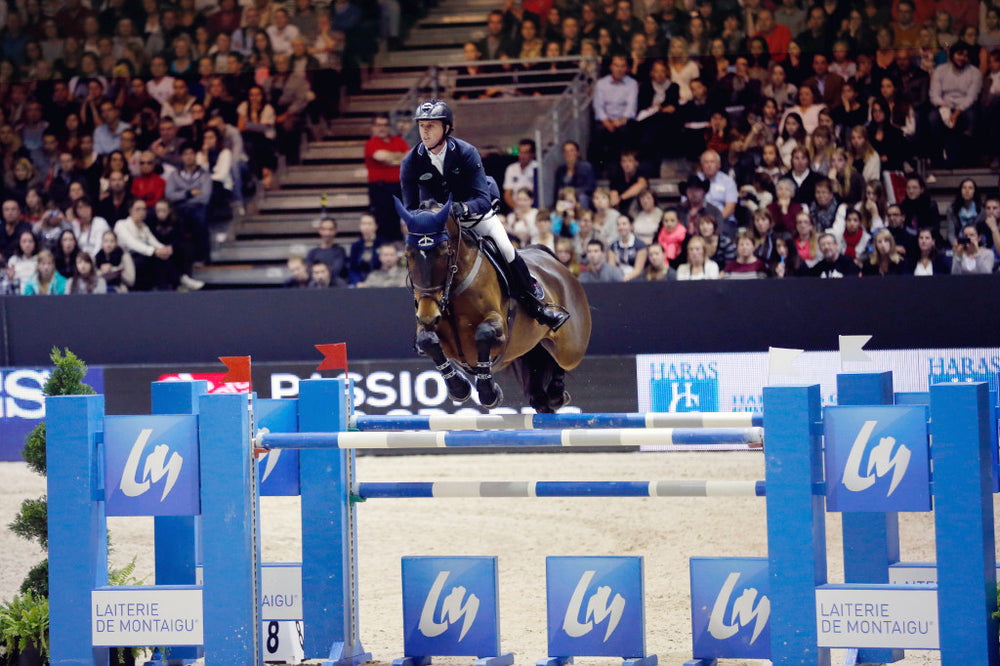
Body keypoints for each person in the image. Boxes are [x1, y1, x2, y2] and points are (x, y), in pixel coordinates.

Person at [400, 99, 568, 330]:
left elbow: (482, 199)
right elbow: (410, 207)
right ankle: (423, 324)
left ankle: (537, 306)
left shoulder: (466, 152)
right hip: (441, 227)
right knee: (421, 259)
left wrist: (461, 208)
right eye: (421, 126)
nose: (425, 132)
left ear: (446, 128)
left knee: (506, 249)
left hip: (475, 218)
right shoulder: (411, 161)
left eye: (431, 126)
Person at [364, 113, 408, 242]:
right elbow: (380, 156)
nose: (382, 128)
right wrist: (399, 157)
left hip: (399, 188)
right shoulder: (371, 143)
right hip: (380, 189)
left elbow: (409, 157)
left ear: (389, 127)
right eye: (378, 125)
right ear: (373, 127)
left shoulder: (398, 140)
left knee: (400, 222)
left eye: (385, 125)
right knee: (383, 223)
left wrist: (391, 158)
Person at [552, 140, 596, 210]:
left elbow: (590, 187)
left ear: (577, 153)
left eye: (571, 151)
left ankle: (582, 215)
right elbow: (556, 189)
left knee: (582, 198)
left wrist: (573, 192)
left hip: (580, 197)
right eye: (566, 151)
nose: (568, 154)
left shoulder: (586, 167)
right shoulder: (560, 170)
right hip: (565, 198)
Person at [306, 217, 348, 286]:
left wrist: (319, 272)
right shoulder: (312, 253)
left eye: (330, 229)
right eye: (324, 229)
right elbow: (309, 271)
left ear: (335, 231)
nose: (327, 233)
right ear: (320, 231)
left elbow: (336, 270)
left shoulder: (340, 251)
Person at [502, 138, 538, 211]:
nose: (522, 156)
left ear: (532, 154)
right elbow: (507, 195)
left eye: (526, 153)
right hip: (516, 208)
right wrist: (518, 208)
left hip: (533, 207)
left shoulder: (538, 168)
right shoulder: (511, 169)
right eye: (521, 152)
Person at [347, 212, 381, 285]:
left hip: (379, 281)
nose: (366, 227)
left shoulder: (382, 244)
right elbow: (353, 269)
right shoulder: (356, 246)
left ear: (376, 226)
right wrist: (357, 282)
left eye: (369, 224)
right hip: (360, 283)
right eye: (364, 224)